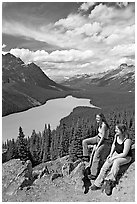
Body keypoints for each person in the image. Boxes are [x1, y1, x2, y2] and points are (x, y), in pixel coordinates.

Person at [91, 123, 132, 196]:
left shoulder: (127, 140)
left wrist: (114, 157)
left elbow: (125, 153)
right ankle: (97, 184)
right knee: (106, 163)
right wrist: (110, 155)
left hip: (126, 157)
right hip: (116, 153)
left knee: (116, 162)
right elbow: (113, 145)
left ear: (122, 130)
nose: (115, 130)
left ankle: (109, 181)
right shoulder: (116, 136)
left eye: (117, 129)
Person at [82, 113, 111, 180]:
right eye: (96, 118)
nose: (96, 119)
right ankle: (85, 156)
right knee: (85, 142)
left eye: (98, 118)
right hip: (97, 137)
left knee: (96, 155)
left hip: (103, 141)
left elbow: (103, 137)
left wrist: (97, 146)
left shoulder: (104, 125)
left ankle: (93, 174)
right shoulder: (100, 124)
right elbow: (99, 135)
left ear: (102, 118)